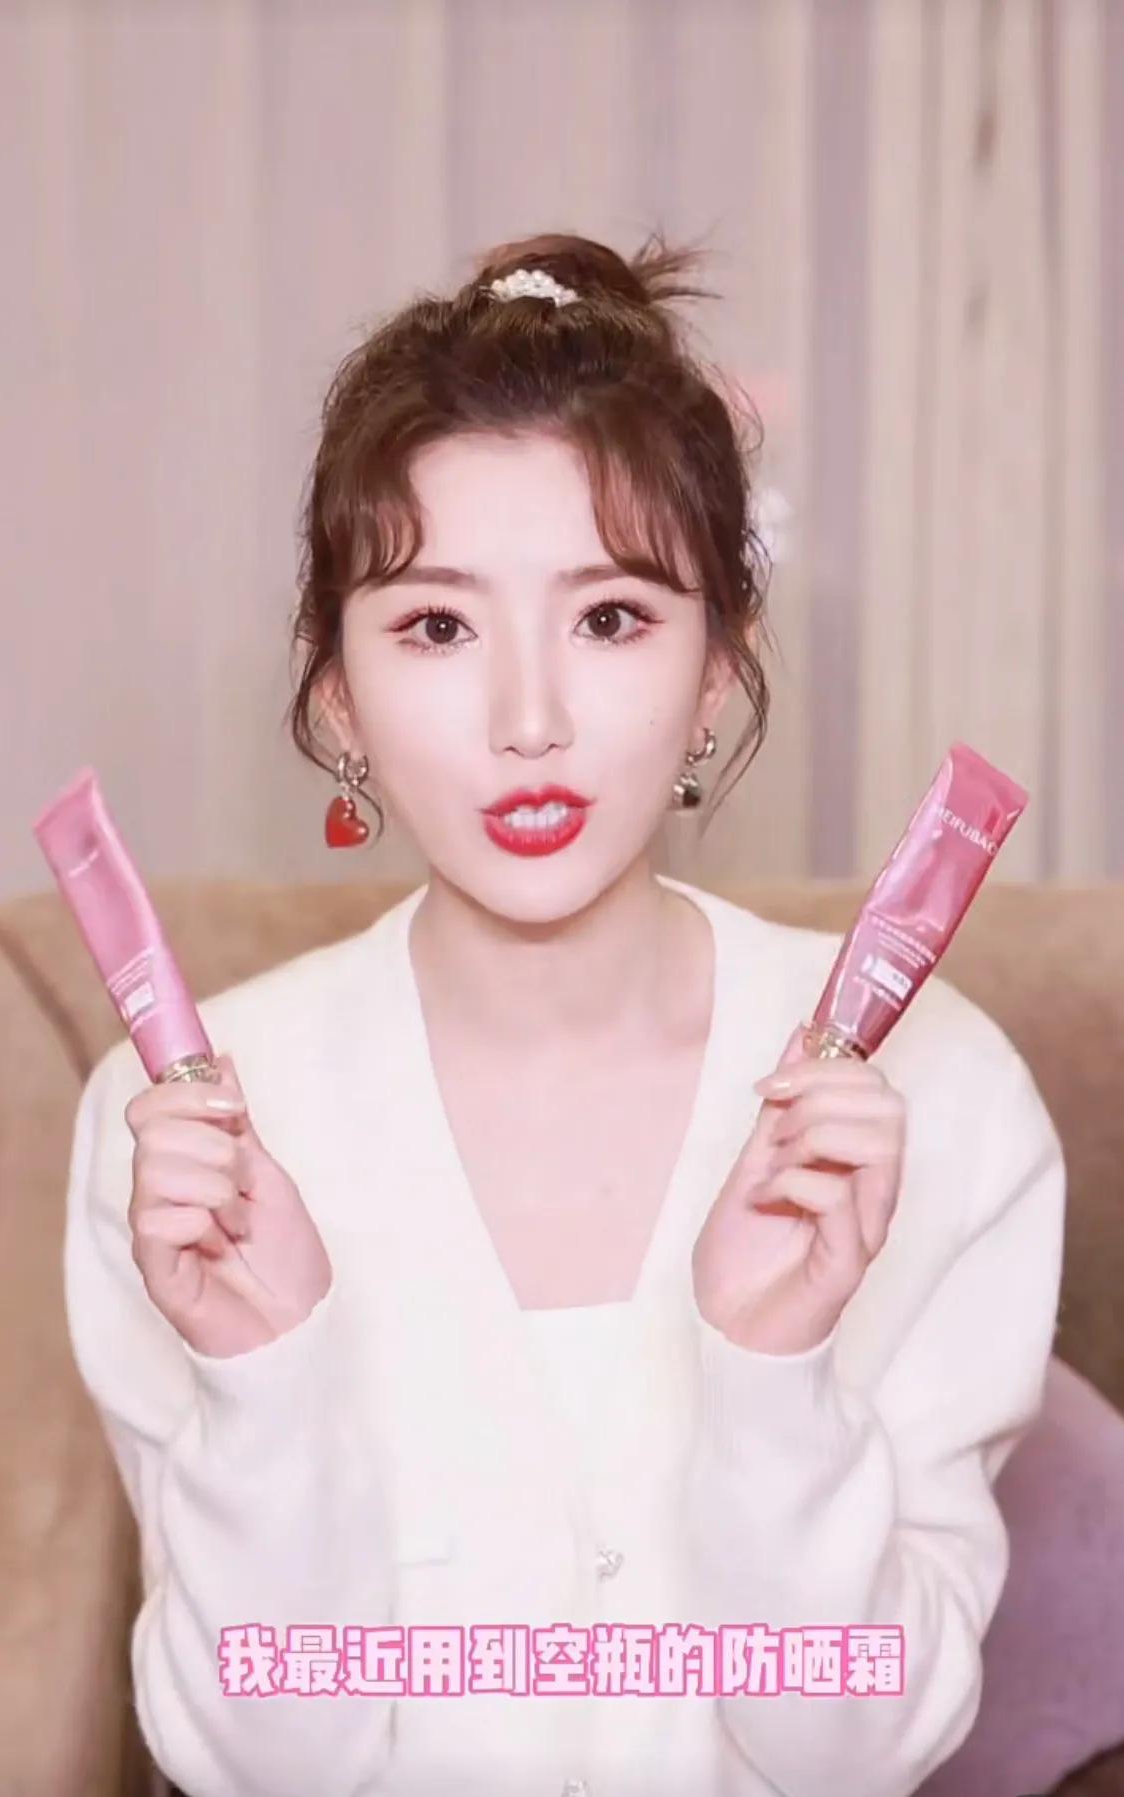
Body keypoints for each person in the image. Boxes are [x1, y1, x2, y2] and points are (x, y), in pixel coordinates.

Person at [63, 232, 1066, 1797]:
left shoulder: (933, 1096)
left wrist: (771, 1372)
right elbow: (268, 1762)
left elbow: (853, 1752)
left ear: (718, 669)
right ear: (335, 694)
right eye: (436, 625)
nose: (527, 719)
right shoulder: (190, 1129)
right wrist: (265, 1388)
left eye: (608, 617)